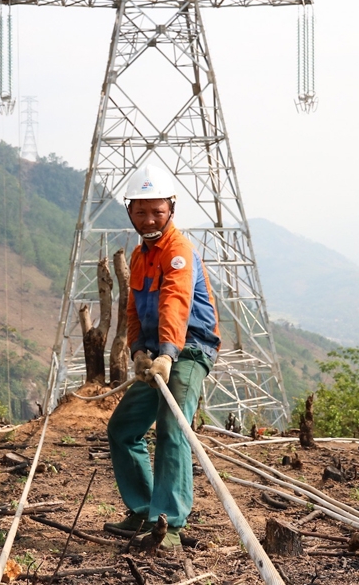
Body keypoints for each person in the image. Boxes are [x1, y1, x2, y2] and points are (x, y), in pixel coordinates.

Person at [105, 165, 221, 552]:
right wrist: (137, 351)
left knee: (173, 428)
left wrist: (168, 354)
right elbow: (134, 309)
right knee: (123, 429)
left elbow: (175, 303)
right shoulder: (139, 256)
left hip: (187, 350)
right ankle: (142, 509)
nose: (149, 219)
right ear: (129, 212)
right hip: (156, 354)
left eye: (157, 211)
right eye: (140, 212)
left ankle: (168, 525)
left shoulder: (178, 251)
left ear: (171, 208)